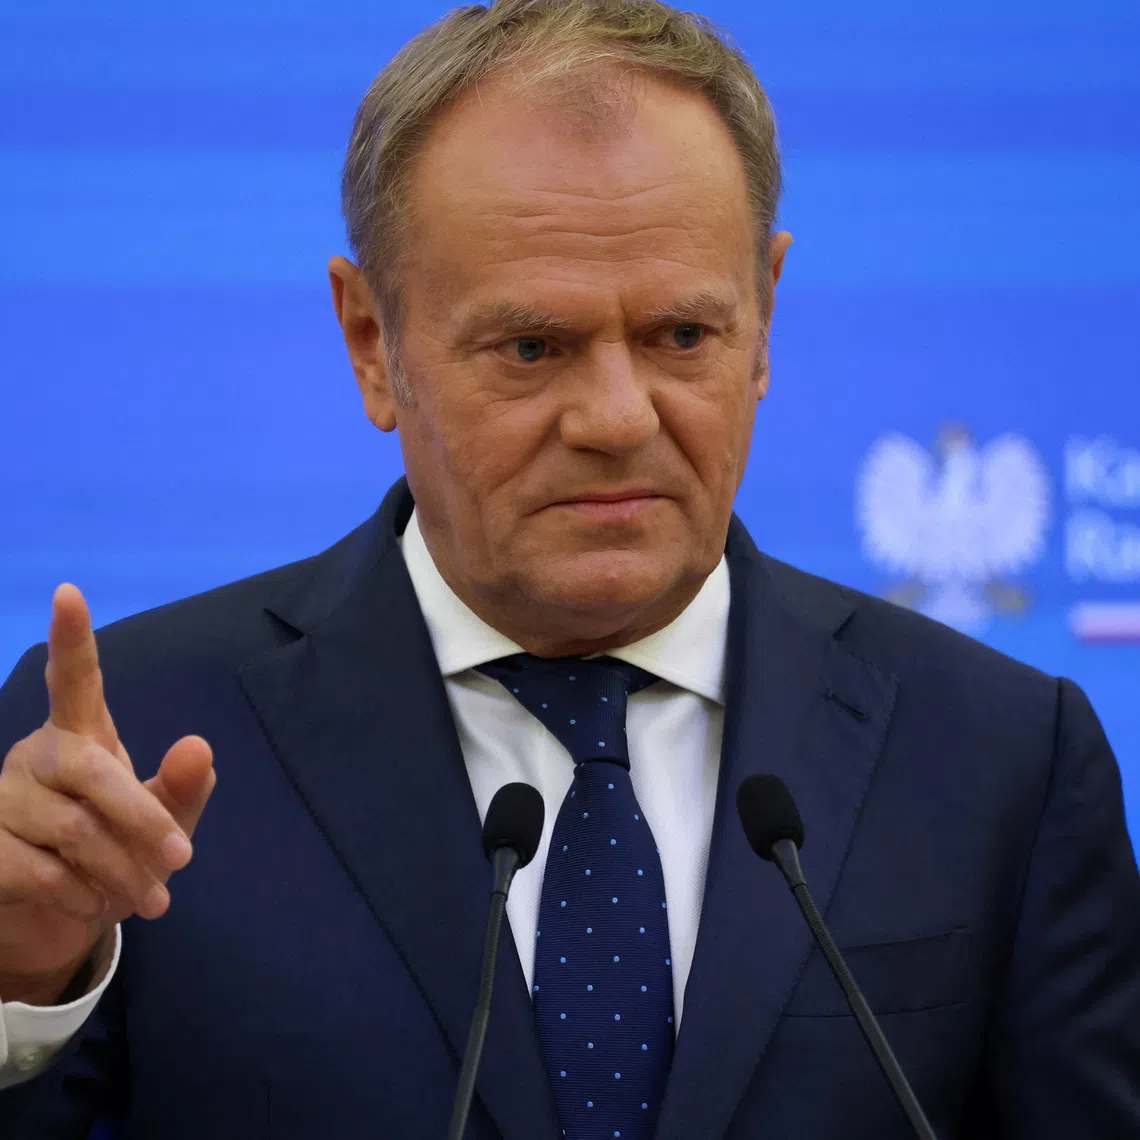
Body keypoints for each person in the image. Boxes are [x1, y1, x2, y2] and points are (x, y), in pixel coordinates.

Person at [2, 1, 1139, 1137]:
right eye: (533, 347)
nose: (614, 416)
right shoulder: (132, 747)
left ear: (767, 319)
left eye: (682, 336)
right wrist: (24, 986)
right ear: (371, 343)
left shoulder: (1001, 759)